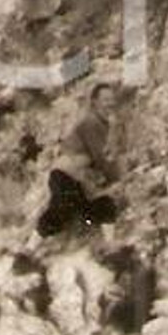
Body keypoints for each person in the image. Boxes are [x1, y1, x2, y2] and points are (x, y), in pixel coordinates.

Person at [36, 83, 122, 241]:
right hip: (65, 177)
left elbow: (105, 155)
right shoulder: (91, 122)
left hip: (71, 179)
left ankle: (110, 243)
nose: (110, 103)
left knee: (92, 209)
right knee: (63, 211)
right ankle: (33, 243)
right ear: (94, 102)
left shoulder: (103, 124)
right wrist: (116, 179)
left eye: (112, 99)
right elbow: (100, 158)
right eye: (105, 99)